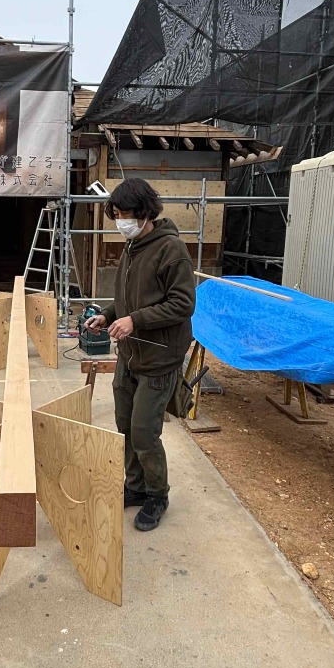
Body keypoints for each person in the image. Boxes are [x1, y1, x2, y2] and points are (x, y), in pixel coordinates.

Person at [85, 180, 196, 532]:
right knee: (125, 427)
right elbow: (131, 299)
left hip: (160, 359)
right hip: (131, 355)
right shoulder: (132, 247)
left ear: (145, 212)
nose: (120, 222)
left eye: (125, 215)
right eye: (115, 215)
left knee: (145, 433)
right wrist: (108, 313)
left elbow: (183, 303)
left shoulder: (171, 249)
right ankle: (134, 488)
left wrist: (135, 320)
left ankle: (157, 495)